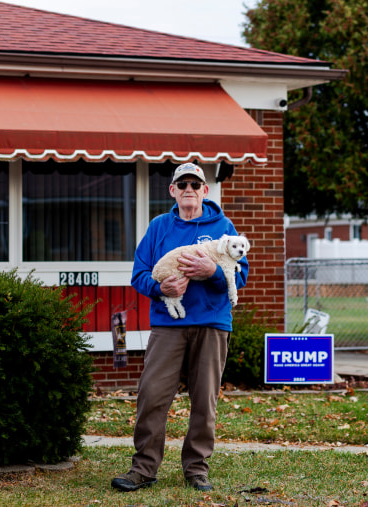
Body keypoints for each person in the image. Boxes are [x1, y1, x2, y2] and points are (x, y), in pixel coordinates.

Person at [111, 162, 248, 492]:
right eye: (182, 184)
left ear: (205, 191)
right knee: (152, 396)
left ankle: (196, 469)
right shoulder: (159, 227)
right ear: (172, 191)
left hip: (212, 324)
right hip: (168, 325)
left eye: (195, 184)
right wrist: (162, 289)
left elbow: (239, 275)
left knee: (204, 402)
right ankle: (143, 468)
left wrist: (211, 271)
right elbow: (139, 275)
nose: (189, 189)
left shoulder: (224, 227)